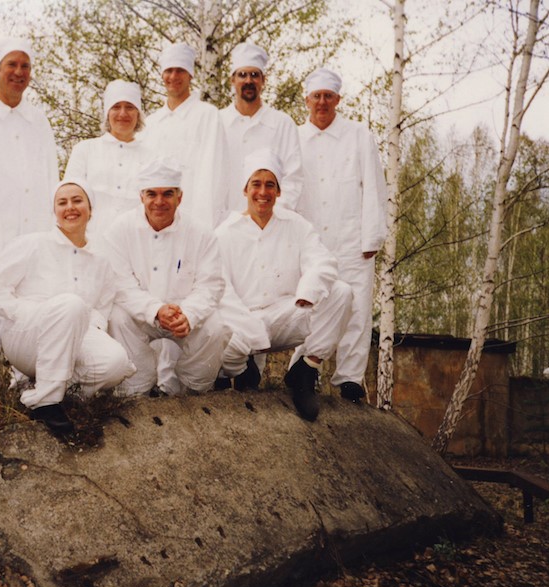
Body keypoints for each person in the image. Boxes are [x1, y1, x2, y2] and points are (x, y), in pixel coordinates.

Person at [0, 180, 135, 435]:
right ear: (54, 210)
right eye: (62, 202)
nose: (70, 208)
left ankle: (56, 389)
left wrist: (82, 330)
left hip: (75, 335)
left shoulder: (102, 258)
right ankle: (46, 403)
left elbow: (102, 307)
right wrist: (23, 313)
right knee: (71, 305)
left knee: (115, 364)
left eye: (77, 200)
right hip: (27, 337)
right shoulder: (33, 244)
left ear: (90, 208)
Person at [215, 149, 352, 421]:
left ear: (278, 191)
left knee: (341, 292)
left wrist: (307, 294)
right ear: (245, 189)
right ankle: (241, 372)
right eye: (256, 183)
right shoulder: (224, 233)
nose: (262, 192)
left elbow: (323, 262)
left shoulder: (296, 225)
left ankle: (304, 372)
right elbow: (219, 289)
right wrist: (247, 326)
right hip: (241, 325)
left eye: (270, 185)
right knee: (219, 340)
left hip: (284, 315)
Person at [297, 68, 388, 404]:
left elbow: (375, 186)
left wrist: (372, 238)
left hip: (351, 238)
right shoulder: (294, 138)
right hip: (309, 240)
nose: (322, 102)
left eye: (328, 96)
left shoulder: (358, 135)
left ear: (338, 99)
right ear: (306, 100)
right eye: (316, 96)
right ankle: (302, 371)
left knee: (357, 309)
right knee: (309, 304)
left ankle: (349, 376)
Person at [105, 160, 230, 396]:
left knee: (215, 326)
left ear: (180, 197)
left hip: (184, 316)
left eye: (167, 194)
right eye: (152, 194)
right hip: (140, 314)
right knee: (118, 317)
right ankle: (137, 390)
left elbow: (211, 284)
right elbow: (120, 285)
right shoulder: (119, 230)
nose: (159, 202)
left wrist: (189, 315)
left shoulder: (201, 233)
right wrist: (155, 310)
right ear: (141, 196)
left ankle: (191, 392)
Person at [0, 37, 59, 266]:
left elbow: (51, 176)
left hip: (36, 231)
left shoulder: (39, 120)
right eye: (11, 64)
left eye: (25, 66)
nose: (19, 72)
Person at [141, 43, 229, 227]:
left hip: (195, 222)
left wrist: (205, 226)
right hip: (157, 223)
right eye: (169, 71)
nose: (173, 77)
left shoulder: (208, 115)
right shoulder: (151, 123)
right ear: (162, 75)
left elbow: (213, 176)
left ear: (190, 74)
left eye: (180, 70)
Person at [220, 43, 304, 214]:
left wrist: (271, 215)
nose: (249, 80)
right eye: (242, 75)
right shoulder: (217, 122)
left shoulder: (283, 124)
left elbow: (293, 178)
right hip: (225, 225)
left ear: (263, 80)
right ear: (232, 80)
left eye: (254, 75)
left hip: (270, 224)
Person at [64, 80, 152, 236]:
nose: (123, 113)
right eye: (116, 107)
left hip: (135, 243)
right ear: (107, 113)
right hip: (91, 243)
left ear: (138, 114)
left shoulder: (151, 157)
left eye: (130, 107)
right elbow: (68, 200)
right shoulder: (85, 150)